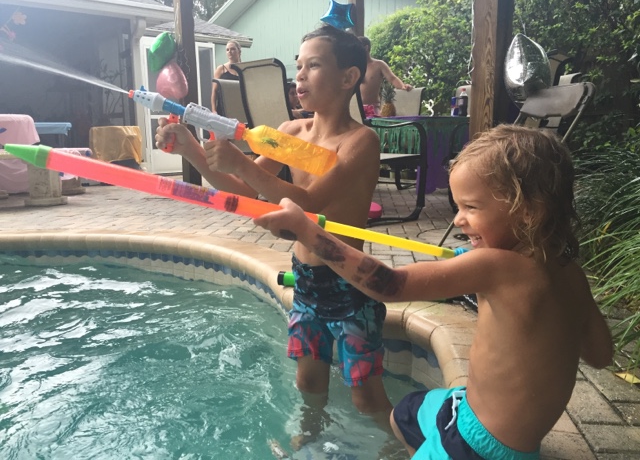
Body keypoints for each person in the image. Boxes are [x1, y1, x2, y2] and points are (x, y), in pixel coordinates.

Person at [254, 124, 613, 459]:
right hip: (479, 417)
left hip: (476, 445)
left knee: (415, 417)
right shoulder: (571, 274)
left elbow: (389, 285)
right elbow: (600, 355)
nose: (458, 219)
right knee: (405, 414)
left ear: (528, 212)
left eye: (471, 207)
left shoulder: (499, 267)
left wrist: (306, 231)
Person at [155, 24, 395, 447]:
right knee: (308, 383)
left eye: (313, 65)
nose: (299, 75)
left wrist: (242, 163)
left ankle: (397, 447)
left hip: (350, 284)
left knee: (364, 394)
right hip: (307, 281)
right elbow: (244, 191)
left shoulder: (360, 141)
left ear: (348, 77)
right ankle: (310, 440)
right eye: (298, 65)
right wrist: (192, 148)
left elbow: (311, 205)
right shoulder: (292, 133)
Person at [358, 36, 413, 117]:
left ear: (366, 48)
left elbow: (392, 78)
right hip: (355, 109)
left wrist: (402, 86)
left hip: (372, 108)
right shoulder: (354, 67)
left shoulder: (378, 65)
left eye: (356, 48)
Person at [211, 40, 242, 114]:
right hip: (224, 109)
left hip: (240, 108)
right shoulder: (221, 69)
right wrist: (214, 110)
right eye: (227, 50)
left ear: (239, 51)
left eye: (232, 49)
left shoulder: (244, 69)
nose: (229, 51)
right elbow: (214, 91)